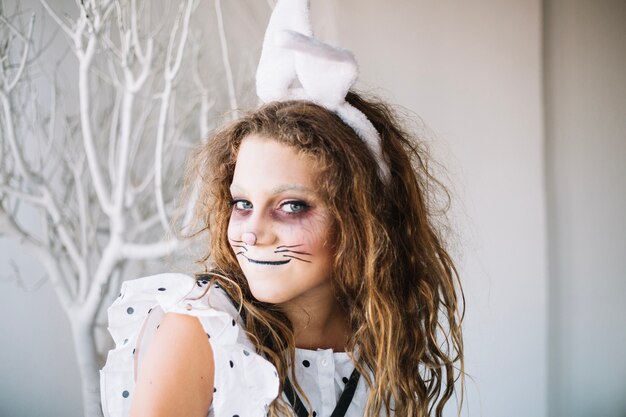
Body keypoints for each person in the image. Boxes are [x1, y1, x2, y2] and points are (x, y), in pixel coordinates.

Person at [100, 1, 464, 417]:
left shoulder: (380, 330)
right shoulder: (203, 331)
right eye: (243, 204)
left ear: (364, 221)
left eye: (291, 206)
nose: (252, 232)